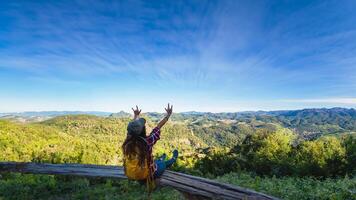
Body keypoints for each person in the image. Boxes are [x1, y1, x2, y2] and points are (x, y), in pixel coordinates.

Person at [122, 103, 178, 189]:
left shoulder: (127, 143)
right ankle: (173, 159)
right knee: (162, 164)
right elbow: (158, 127)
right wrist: (168, 115)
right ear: (143, 131)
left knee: (155, 161)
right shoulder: (147, 142)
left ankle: (161, 158)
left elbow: (132, 131)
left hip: (131, 173)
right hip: (147, 174)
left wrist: (136, 116)